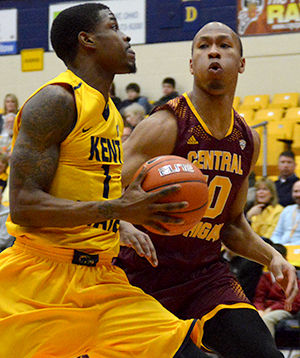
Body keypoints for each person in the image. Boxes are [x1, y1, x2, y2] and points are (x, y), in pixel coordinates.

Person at [0, 4, 207, 357]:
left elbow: (83, 186)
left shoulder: (109, 111)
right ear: (87, 40)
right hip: (39, 281)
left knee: (183, 350)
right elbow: (24, 206)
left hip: (102, 279)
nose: (126, 36)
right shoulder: (57, 100)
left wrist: (117, 223)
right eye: (114, 27)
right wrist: (119, 209)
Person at [115, 21, 298, 358]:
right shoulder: (165, 124)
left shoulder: (247, 138)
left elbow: (232, 226)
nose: (213, 50)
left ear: (241, 63)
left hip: (204, 279)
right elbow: (102, 190)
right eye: (203, 46)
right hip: (140, 279)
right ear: (191, 64)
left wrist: (271, 256)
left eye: (225, 45)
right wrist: (122, 223)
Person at [254, 243, 300, 337]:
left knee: (267, 320)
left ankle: (267, 351)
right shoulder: (265, 276)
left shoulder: (292, 276)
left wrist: (271, 309)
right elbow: (258, 298)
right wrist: (260, 310)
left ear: (285, 259)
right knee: (250, 317)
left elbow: (294, 303)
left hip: (285, 310)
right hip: (266, 309)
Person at [271, 180, 300, 245]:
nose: (298, 194)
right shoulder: (287, 210)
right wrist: (279, 246)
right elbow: (276, 234)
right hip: (283, 249)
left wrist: (290, 247)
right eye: (295, 191)